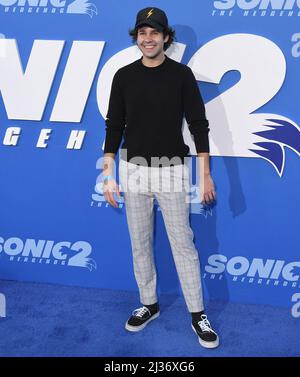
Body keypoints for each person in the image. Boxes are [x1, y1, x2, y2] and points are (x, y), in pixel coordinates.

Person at [102, 7, 219, 349]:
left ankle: (197, 314)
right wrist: (108, 173)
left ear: (166, 37)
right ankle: (149, 304)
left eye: (155, 33)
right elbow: (114, 126)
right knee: (139, 243)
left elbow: (199, 124)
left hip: (172, 170)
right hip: (133, 169)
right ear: (136, 37)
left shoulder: (182, 76)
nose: (148, 39)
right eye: (142, 33)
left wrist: (206, 174)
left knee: (183, 244)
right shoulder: (123, 76)